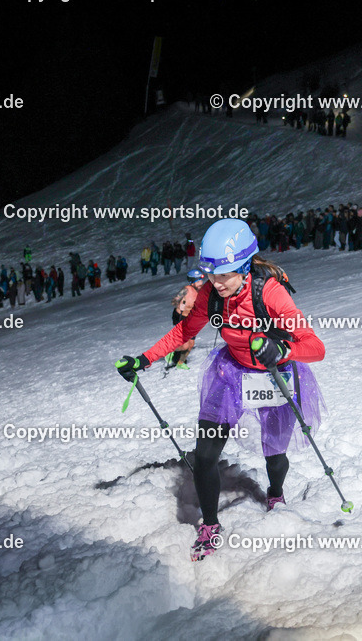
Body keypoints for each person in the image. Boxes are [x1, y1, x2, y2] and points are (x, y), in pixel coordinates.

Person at [116, 219, 326, 561]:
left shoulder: (270, 292)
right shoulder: (212, 294)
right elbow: (184, 329)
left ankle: (274, 494)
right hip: (231, 374)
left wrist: (282, 350)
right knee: (205, 455)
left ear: (244, 266)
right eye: (211, 274)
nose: (217, 282)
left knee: (274, 455)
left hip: (275, 375)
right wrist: (144, 359)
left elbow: (315, 347)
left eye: (225, 274)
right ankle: (210, 525)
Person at [166, 269, 206, 370]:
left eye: (201, 281)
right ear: (192, 282)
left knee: (191, 344)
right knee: (184, 345)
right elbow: (173, 301)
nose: (200, 283)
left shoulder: (201, 291)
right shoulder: (186, 290)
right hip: (181, 317)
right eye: (198, 282)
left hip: (192, 318)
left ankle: (180, 362)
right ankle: (170, 351)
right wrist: (180, 304)